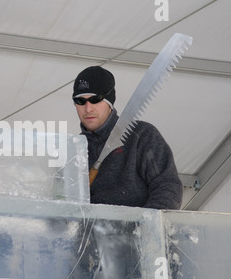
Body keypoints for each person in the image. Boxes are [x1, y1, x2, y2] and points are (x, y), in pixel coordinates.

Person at [72, 66, 183, 210]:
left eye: (95, 99)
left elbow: (168, 187)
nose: (88, 108)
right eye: (80, 101)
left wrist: (143, 225)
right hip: (90, 232)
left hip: (138, 230)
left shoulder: (142, 136)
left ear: (109, 103)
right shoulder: (73, 150)